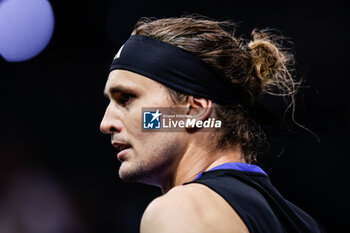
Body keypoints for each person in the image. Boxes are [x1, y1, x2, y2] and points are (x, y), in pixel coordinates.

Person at [100, 16, 324, 233]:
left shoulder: (180, 211)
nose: (105, 123)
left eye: (126, 98)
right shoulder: (302, 222)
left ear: (194, 110)